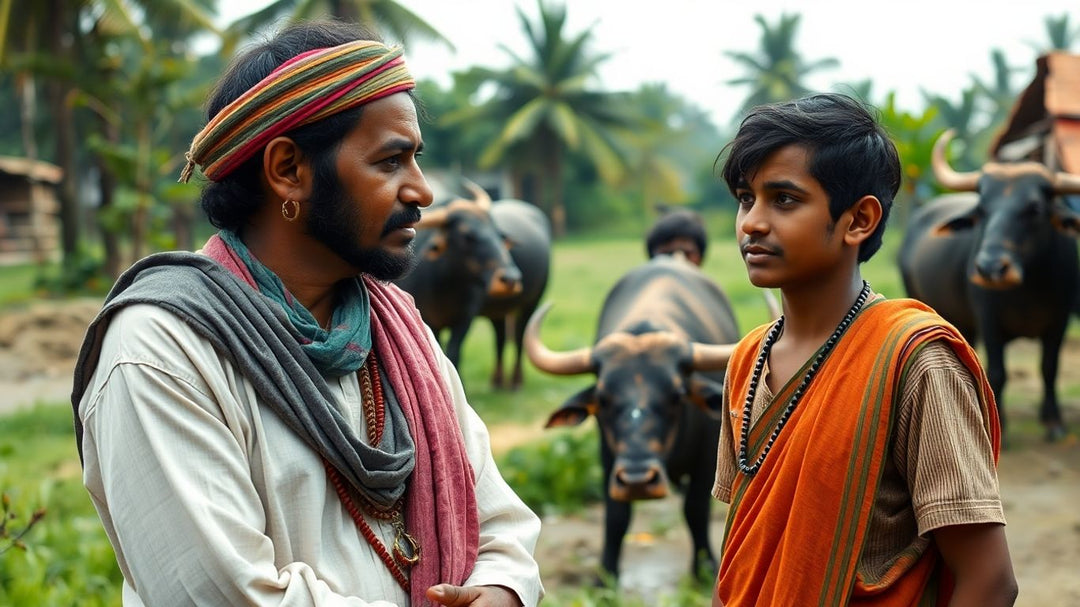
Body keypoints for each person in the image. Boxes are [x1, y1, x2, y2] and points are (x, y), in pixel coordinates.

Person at [71, 20, 543, 607]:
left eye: (416, 159)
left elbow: (497, 521)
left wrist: (500, 589)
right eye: (390, 162)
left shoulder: (399, 329)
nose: (422, 192)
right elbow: (223, 595)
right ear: (288, 170)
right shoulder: (161, 351)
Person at [710, 93, 1017, 606]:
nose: (751, 223)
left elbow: (989, 581)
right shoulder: (747, 361)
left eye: (784, 200)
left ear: (859, 220)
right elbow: (741, 562)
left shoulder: (915, 361)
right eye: (746, 198)